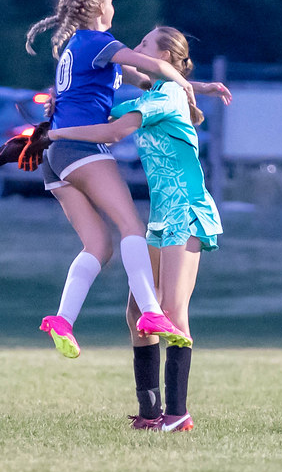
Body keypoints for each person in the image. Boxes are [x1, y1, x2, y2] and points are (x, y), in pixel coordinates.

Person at [43, 26, 229, 432]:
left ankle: (179, 415)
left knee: (172, 311)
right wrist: (62, 109)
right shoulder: (154, 95)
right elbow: (103, 111)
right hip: (162, 216)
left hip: (185, 210)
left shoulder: (167, 97)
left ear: (164, 54)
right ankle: (149, 414)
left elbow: (112, 133)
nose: (136, 49)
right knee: (137, 313)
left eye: (144, 45)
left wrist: (57, 133)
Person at [24, 0, 201, 360]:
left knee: (98, 245)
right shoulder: (99, 42)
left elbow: (148, 78)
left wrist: (198, 87)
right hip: (79, 147)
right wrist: (184, 86)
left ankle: (63, 319)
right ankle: (152, 313)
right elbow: (153, 64)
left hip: (56, 157)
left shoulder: (79, 47)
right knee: (132, 227)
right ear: (101, 8)